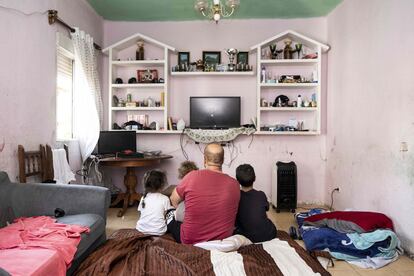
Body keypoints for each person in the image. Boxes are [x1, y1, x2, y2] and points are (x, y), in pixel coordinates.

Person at [168, 143, 240, 244]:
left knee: (169, 214)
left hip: (189, 240)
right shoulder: (235, 184)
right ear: (223, 160)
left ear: (204, 160)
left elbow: (173, 199)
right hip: (222, 241)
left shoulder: (191, 177)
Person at [234, 164, 277, 243]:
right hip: (268, 235)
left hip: (246, 237)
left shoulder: (235, 197)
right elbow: (267, 208)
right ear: (255, 178)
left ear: (237, 181)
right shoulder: (261, 194)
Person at [136, 170, 172, 236]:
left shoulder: (143, 198)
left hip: (141, 230)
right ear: (162, 185)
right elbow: (167, 215)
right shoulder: (165, 198)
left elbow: (141, 213)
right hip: (159, 231)